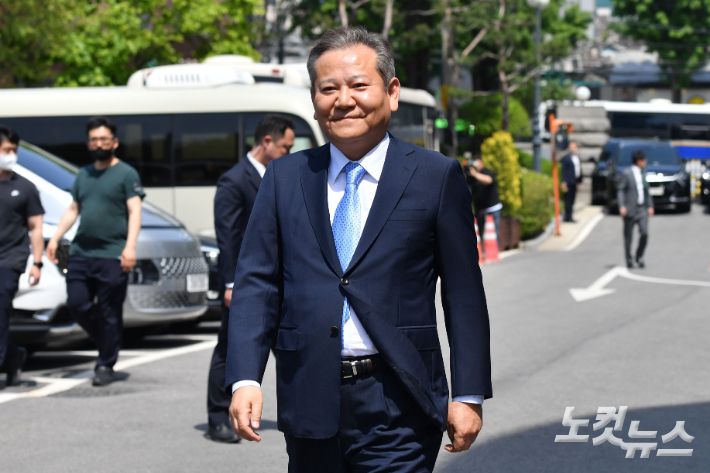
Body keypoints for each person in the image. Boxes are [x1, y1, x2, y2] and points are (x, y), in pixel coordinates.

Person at [226, 27, 491, 472]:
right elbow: (257, 283)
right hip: (310, 395)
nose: (343, 100)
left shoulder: (435, 176)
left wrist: (468, 393)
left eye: (358, 85)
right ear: (314, 100)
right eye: (328, 88)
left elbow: (463, 293)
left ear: (391, 92)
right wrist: (245, 378)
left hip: (401, 399)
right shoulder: (285, 178)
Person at [206, 115, 295, 443]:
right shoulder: (234, 180)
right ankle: (218, 416)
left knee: (289, 346)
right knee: (229, 349)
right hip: (245, 283)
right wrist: (232, 284)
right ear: (267, 142)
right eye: (285, 147)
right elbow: (228, 237)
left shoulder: (280, 176)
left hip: (281, 282)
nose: (288, 153)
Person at [47, 117, 144, 387]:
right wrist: (56, 238)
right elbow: (73, 209)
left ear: (114, 142)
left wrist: (130, 247)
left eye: (103, 139)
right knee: (77, 303)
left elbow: (135, 211)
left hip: (113, 253)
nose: (98, 144)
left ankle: (105, 363)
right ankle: (107, 340)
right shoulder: (84, 174)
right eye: (93, 140)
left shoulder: (126, 174)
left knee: (110, 311)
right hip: (81, 252)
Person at [0, 127, 44, 387]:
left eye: (14, 151)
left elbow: (36, 227)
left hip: (9, 260)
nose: (11, 155)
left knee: (0, 309)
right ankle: (13, 355)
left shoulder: (25, 188)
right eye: (6, 150)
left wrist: (37, 263)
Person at [617, 150, 653, 269]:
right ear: (638, 161)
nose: (645, 163)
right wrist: (622, 206)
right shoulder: (627, 173)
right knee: (628, 236)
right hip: (630, 208)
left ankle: (639, 256)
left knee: (644, 233)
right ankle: (629, 259)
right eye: (644, 160)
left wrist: (650, 206)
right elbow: (621, 190)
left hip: (642, 208)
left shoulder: (644, 174)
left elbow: (647, 191)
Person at [466, 157, 502, 248]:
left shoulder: (487, 171)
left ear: (481, 162)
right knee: (481, 232)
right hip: (480, 209)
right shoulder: (471, 176)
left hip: (493, 208)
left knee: (494, 233)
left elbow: (489, 180)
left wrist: (475, 174)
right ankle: (483, 250)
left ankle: (495, 249)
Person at [560, 141, 582, 223]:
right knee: (567, 200)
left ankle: (570, 216)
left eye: (574, 147)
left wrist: (580, 181)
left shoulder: (577, 158)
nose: (573, 149)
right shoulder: (566, 158)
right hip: (568, 182)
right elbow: (564, 171)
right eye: (571, 147)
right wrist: (563, 182)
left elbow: (579, 170)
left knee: (572, 199)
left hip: (575, 181)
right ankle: (567, 216)